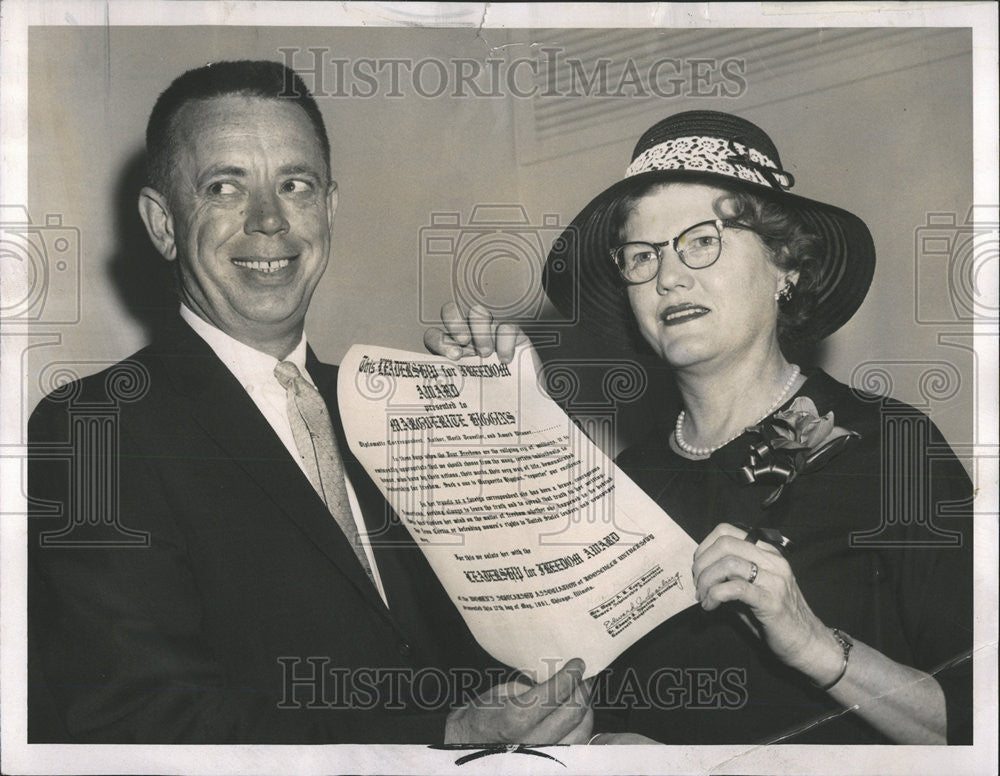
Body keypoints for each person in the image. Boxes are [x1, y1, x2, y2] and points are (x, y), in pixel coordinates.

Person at [28, 60, 592, 745]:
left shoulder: (401, 407)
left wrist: (510, 427)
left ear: (328, 208)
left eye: (294, 185)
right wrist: (441, 727)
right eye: (223, 187)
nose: (269, 221)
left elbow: (494, 646)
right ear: (162, 222)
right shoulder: (99, 428)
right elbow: (133, 716)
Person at [425, 110, 973, 745]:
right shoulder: (622, 488)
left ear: (785, 265)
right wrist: (508, 427)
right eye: (641, 255)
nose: (669, 276)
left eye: (703, 241)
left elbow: (980, 726)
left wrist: (816, 646)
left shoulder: (893, 450)